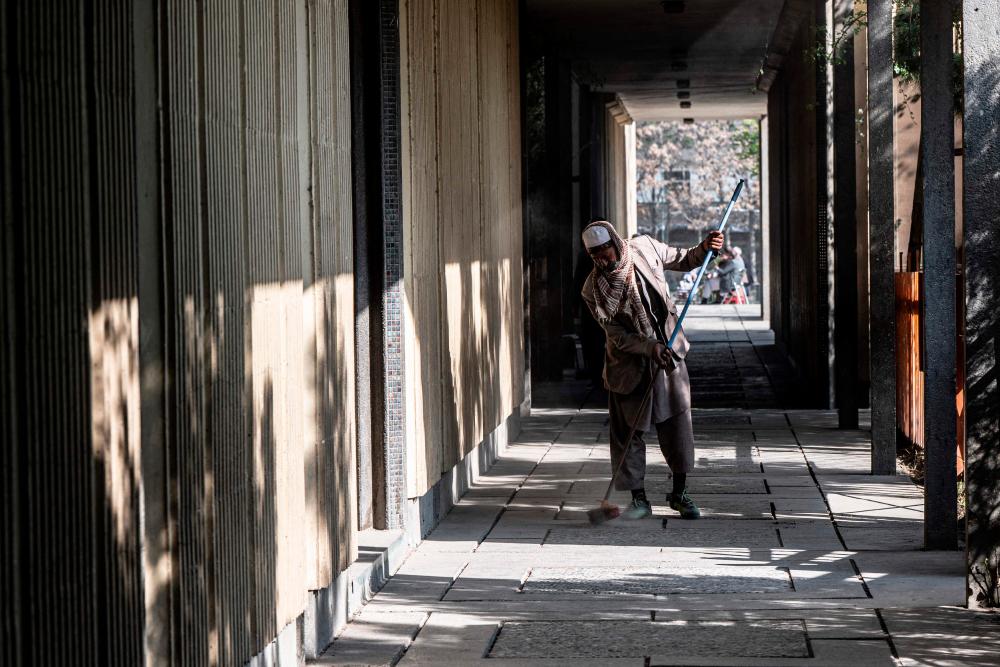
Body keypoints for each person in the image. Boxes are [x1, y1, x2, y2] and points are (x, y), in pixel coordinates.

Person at [580, 220, 724, 520]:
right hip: (628, 366)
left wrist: (705, 248)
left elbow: (682, 259)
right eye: (594, 256)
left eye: (605, 252)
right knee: (628, 433)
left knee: (677, 424)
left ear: (616, 244)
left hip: (669, 353)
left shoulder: (644, 248)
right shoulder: (592, 289)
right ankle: (639, 499)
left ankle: (680, 494)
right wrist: (648, 347)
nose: (602, 261)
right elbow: (616, 334)